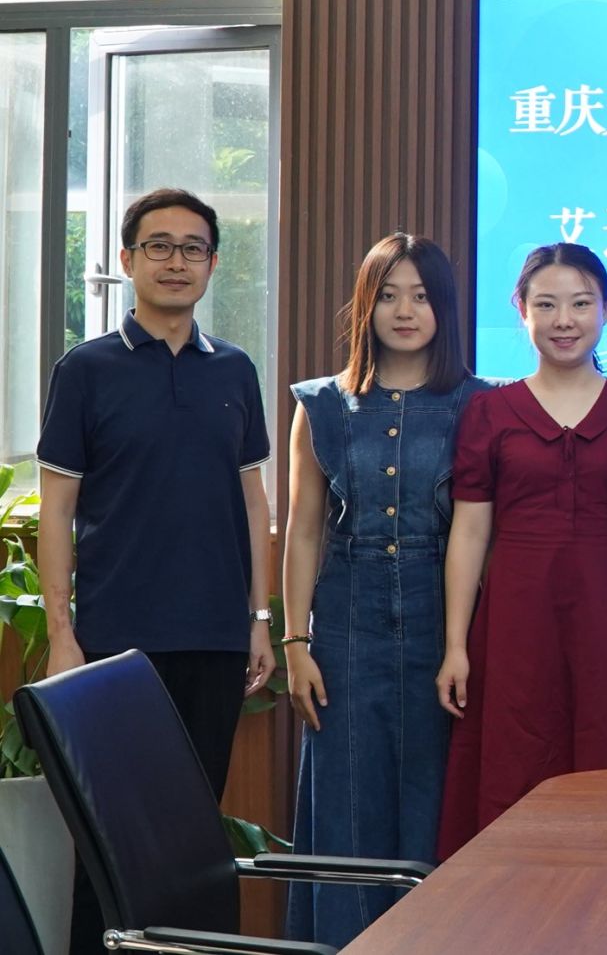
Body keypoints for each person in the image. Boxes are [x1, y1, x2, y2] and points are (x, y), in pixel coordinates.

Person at [35, 187, 273, 954]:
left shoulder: (234, 370)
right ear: (129, 259)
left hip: (215, 638)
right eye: (159, 246)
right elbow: (56, 511)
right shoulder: (86, 369)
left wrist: (260, 619)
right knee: (107, 841)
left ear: (213, 264)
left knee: (193, 839)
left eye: (193, 248)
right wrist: (62, 634)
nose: (177, 262)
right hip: (114, 646)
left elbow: (254, 502)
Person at [281, 234, 491, 947]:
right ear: (365, 306)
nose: (405, 311)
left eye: (422, 296)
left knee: (438, 802)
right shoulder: (321, 403)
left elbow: (479, 532)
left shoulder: (479, 403)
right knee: (346, 804)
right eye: (390, 295)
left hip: (444, 624)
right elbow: (304, 531)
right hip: (345, 627)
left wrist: (462, 642)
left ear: (445, 308)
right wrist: (296, 643)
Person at [435, 243, 607, 855]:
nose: (564, 320)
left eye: (581, 304)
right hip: (514, 620)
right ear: (522, 310)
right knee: (513, 761)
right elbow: (470, 532)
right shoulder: (488, 411)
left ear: (606, 309)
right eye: (547, 305)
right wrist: (456, 645)